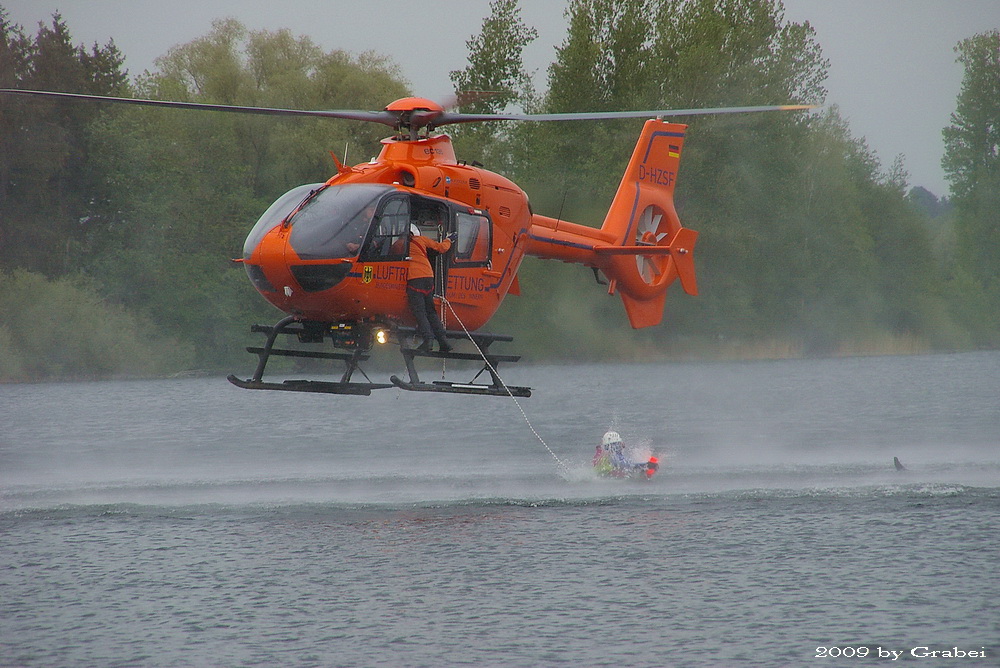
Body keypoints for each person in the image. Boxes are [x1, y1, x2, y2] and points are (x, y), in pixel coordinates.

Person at [406, 224, 455, 352]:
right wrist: (449, 240)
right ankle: (443, 342)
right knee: (431, 311)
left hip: (414, 279)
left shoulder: (401, 244)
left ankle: (428, 340)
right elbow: (441, 248)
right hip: (428, 276)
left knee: (419, 311)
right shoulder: (422, 240)